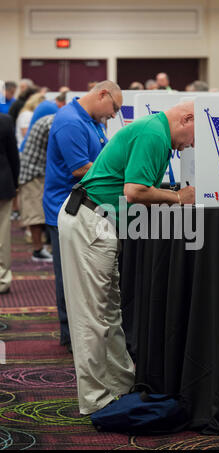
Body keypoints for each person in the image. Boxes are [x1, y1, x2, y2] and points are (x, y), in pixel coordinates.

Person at [57, 100, 195, 415]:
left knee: (106, 311)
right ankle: (96, 400)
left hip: (96, 221)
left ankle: (120, 386)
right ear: (187, 119)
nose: (190, 146)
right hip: (90, 221)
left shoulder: (154, 130)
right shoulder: (154, 134)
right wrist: (178, 197)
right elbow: (135, 192)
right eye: (193, 137)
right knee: (93, 317)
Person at [43, 80, 122, 353]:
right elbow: (82, 169)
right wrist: (119, 177)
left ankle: (83, 334)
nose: (114, 115)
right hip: (66, 209)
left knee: (87, 276)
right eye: (115, 107)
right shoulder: (71, 122)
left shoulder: (89, 119)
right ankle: (70, 338)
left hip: (89, 207)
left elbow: (102, 158)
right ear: (102, 94)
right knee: (68, 277)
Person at [18, 114, 56, 262]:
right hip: (33, 173)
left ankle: (40, 249)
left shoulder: (52, 119)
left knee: (37, 213)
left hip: (35, 170)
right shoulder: (52, 123)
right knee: (35, 214)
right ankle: (38, 250)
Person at [0, 114, 20, 294]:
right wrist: (15, 184)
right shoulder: (5, 120)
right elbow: (14, 155)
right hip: (2, 184)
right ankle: (2, 280)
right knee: (2, 235)